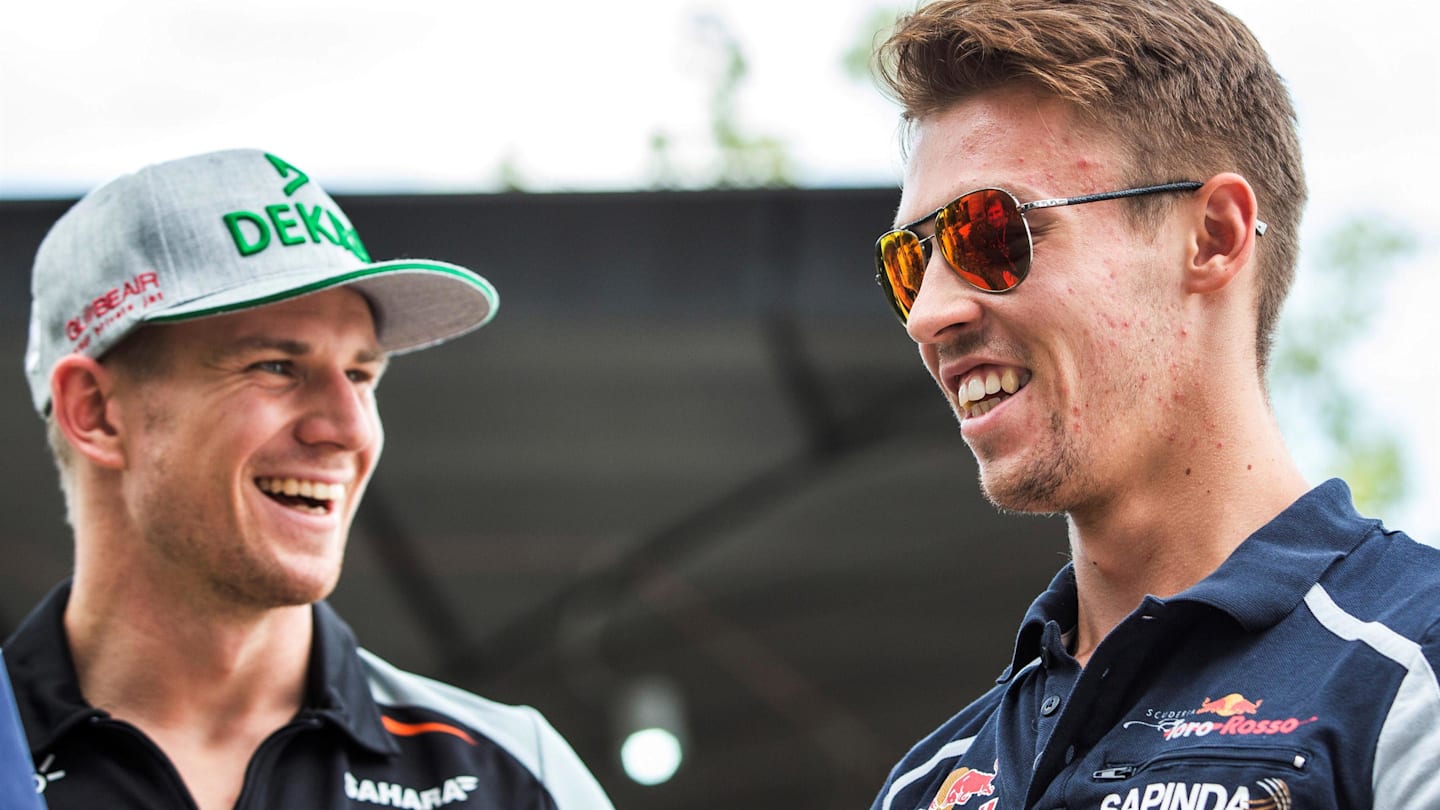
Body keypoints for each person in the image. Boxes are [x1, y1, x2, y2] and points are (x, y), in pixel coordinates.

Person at [867, 2, 1440, 809]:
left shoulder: (1412, 674)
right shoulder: (931, 783)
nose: (928, 314)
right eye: (908, 264)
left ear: (1212, 236)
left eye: (990, 234)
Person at [3, 149, 614, 810]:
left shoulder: (514, 776)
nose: (350, 430)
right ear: (96, 413)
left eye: (360, 374)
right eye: (274, 366)